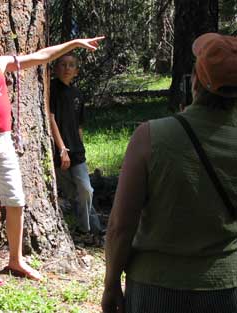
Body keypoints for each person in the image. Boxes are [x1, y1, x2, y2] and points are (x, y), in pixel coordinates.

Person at [0, 22, 104, 286]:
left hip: (4, 141)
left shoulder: (0, 64)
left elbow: (41, 56)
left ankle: (16, 259)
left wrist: (74, 43)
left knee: (16, 200)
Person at [102, 33, 237, 313]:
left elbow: (121, 225)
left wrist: (111, 283)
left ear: (196, 81)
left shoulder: (150, 136)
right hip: (226, 288)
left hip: (156, 289)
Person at [49, 53, 103, 235]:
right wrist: (61, 148)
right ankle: (93, 230)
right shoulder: (51, 90)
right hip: (58, 151)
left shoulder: (78, 95)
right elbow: (51, 118)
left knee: (86, 190)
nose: (66, 68)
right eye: (62, 64)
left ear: (77, 71)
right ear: (56, 68)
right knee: (74, 194)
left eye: (71, 65)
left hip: (77, 152)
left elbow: (79, 125)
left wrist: (79, 146)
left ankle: (85, 229)